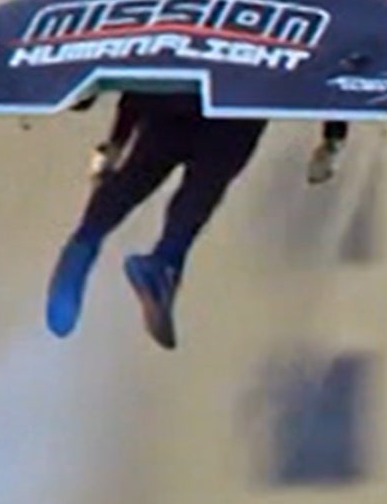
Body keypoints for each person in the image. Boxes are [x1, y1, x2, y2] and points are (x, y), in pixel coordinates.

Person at [44, 93, 349, 350]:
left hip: (185, 99)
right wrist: (333, 138)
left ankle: (89, 251)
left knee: (142, 177)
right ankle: (158, 262)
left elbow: (138, 56)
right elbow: (331, 55)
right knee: (198, 188)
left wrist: (116, 138)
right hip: (233, 107)